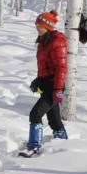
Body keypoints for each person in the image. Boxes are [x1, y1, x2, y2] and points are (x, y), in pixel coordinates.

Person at [21, 10, 68, 157]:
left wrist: (58, 89)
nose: (37, 28)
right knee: (54, 118)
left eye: (40, 26)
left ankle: (34, 146)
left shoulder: (56, 41)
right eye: (36, 25)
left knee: (35, 114)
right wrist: (38, 80)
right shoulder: (43, 41)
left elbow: (61, 67)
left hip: (55, 85)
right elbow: (45, 66)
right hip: (47, 83)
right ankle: (63, 141)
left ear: (49, 26)